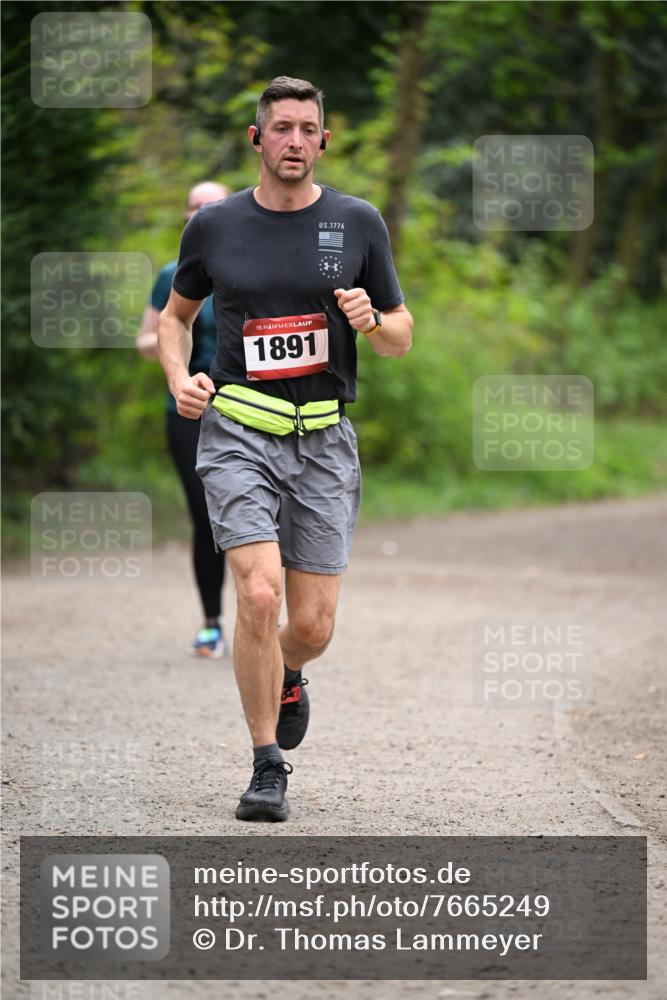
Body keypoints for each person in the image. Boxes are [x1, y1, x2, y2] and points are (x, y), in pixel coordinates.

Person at [158, 77, 412, 821]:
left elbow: (400, 337)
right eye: (282, 128)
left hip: (324, 439)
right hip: (237, 429)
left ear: (323, 140)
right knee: (259, 595)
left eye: (308, 128)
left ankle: (291, 671)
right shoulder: (214, 227)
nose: (295, 140)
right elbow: (176, 317)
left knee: (309, 626)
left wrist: (371, 321)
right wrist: (179, 376)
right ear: (257, 139)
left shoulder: (358, 222)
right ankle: (266, 763)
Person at [137, 181, 230, 658]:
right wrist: (175, 344)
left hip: (247, 410)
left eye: (212, 206)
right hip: (188, 410)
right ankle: (212, 621)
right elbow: (146, 339)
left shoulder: (246, 268)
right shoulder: (173, 274)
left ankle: (266, 615)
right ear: (185, 214)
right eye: (194, 206)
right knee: (207, 516)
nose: (202, 213)